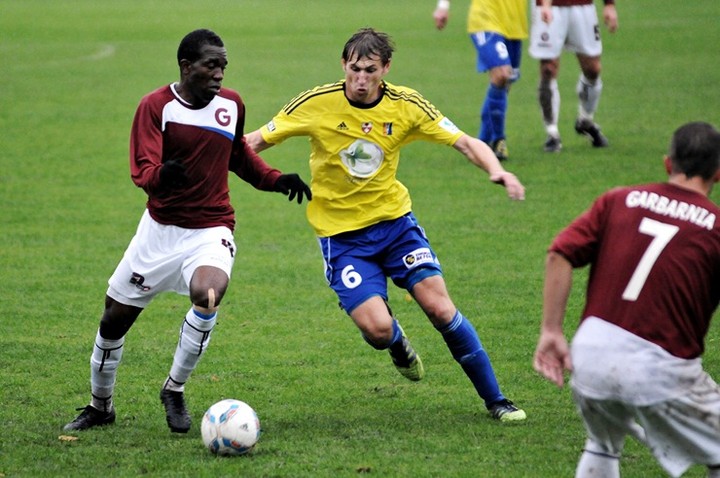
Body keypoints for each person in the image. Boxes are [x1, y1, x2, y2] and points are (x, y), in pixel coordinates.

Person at [246, 28, 527, 421]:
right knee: (377, 331)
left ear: (386, 69)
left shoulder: (406, 105)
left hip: (396, 226)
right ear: (343, 65)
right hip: (342, 238)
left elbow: (464, 141)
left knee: (441, 309)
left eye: (370, 71)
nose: (361, 80)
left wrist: (497, 171)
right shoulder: (315, 103)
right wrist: (206, 158)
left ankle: (497, 400)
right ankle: (397, 343)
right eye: (354, 69)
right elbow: (253, 141)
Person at [63, 29, 311, 433]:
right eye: (211, 66)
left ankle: (174, 388)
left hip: (211, 228)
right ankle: (100, 406)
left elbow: (239, 157)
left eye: (224, 67)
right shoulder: (156, 106)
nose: (219, 75)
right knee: (113, 320)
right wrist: (163, 175)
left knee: (209, 292)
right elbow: (142, 171)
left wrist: (274, 179)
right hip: (159, 232)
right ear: (186, 66)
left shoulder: (231, 106)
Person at [533, 121, 720, 476]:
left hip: (591, 354)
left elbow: (559, 253)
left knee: (603, 444)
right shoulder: (715, 226)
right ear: (718, 174)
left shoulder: (619, 199)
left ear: (668, 164)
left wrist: (551, 331)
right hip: (661, 366)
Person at [433, 0, 528, 161]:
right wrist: (443, 6)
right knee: (502, 74)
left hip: (514, 22)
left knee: (504, 83)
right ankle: (499, 140)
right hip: (485, 18)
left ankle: (481, 142)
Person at [528, 0, 619, 153]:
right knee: (548, 69)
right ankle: (552, 132)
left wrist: (609, 4)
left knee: (593, 69)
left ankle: (585, 119)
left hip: (582, 6)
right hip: (549, 6)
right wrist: (544, 5)